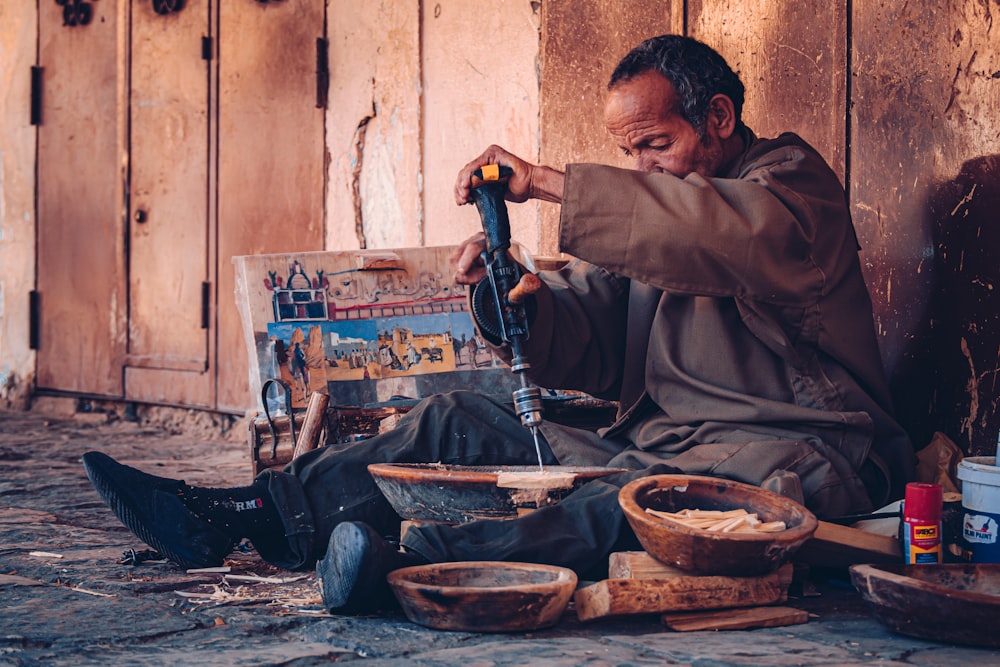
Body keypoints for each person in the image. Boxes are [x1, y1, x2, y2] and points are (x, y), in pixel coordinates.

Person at [82, 34, 916, 615]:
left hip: (796, 453)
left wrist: (551, 183)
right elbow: (591, 333)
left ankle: (406, 564)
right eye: (628, 154)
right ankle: (252, 514)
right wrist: (511, 295)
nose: (641, 168)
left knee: (625, 508)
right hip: (661, 439)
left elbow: (710, 228)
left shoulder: (793, 188)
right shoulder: (661, 208)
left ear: (721, 121)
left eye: (654, 145)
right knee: (457, 415)